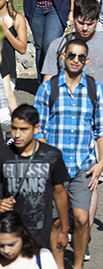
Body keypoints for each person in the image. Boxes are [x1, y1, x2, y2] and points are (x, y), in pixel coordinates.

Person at [34, 37, 103, 269]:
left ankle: (77, 265)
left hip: (83, 165)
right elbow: (38, 129)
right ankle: (58, 265)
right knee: (57, 223)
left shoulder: (94, 89)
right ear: (63, 56)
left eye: (80, 57)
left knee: (82, 218)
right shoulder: (48, 88)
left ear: (86, 60)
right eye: (71, 55)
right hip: (56, 169)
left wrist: (101, 162)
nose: (75, 60)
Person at [41, 0, 103, 144]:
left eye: (90, 23)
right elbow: (47, 86)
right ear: (73, 18)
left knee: (100, 165)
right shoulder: (58, 46)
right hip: (64, 120)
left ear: (98, 19)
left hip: (100, 121)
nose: (85, 28)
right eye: (81, 23)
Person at [0, 106, 69, 252]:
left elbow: (60, 193)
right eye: (14, 128)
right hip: (8, 235)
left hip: (39, 235)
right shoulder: (3, 155)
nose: (17, 135)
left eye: (23, 129)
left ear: (36, 128)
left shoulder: (51, 156)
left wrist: (64, 229)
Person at [0, 0, 27, 113]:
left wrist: (5, 30)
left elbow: (22, 48)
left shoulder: (17, 19)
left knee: (5, 111)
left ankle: (13, 131)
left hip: (7, 70)